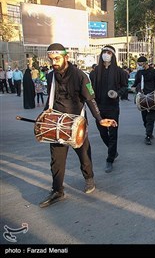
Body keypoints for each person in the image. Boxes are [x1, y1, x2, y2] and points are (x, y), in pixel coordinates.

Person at [39, 43, 117, 208]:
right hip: (57, 124)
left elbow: (90, 99)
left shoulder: (81, 76)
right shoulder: (50, 76)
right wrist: (45, 117)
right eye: (51, 59)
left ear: (66, 57)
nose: (54, 62)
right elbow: (50, 100)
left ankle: (89, 179)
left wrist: (99, 118)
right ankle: (57, 190)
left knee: (84, 155)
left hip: (76, 124)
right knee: (56, 160)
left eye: (57, 58)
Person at [90, 45, 128, 173]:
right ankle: (113, 150)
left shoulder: (119, 72)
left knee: (113, 134)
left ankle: (110, 158)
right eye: (104, 52)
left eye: (109, 52)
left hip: (112, 107)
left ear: (113, 55)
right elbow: (90, 89)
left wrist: (117, 93)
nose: (106, 54)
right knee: (102, 132)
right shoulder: (94, 73)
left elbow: (124, 87)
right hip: (99, 107)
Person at [132, 56, 155, 145]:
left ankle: (148, 135)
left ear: (145, 63)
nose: (139, 66)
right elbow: (136, 83)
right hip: (143, 97)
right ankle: (148, 131)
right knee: (145, 118)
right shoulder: (139, 73)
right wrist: (133, 87)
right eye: (138, 64)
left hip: (152, 97)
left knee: (150, 118)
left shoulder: (154, 72)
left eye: (140, 64)